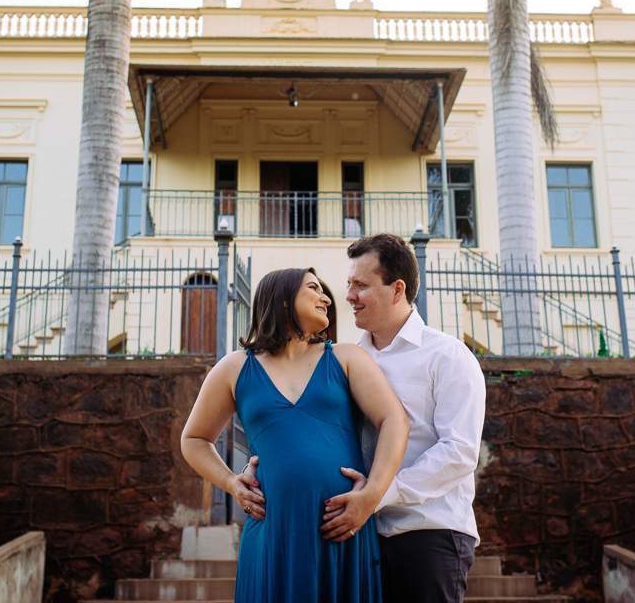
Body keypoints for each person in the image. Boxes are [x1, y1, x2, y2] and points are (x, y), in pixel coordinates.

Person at [242, 235, 487, 603]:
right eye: (349, 285)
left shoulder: (448, 356)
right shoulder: (345, 358)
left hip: (426, 531)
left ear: (397, 289)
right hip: (356, 537)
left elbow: (460, 451)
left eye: (361, 285)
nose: (349, 296)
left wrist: (376, 496)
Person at [180, 267, 409, 603]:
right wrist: (231, 483)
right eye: (313, 288)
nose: (326, 298)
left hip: (342, 528)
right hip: (273, 532)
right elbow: (194, 439)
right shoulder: (234, 368)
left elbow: (394, 420)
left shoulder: (346, 357)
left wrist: (371, 496)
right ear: (283, 298)